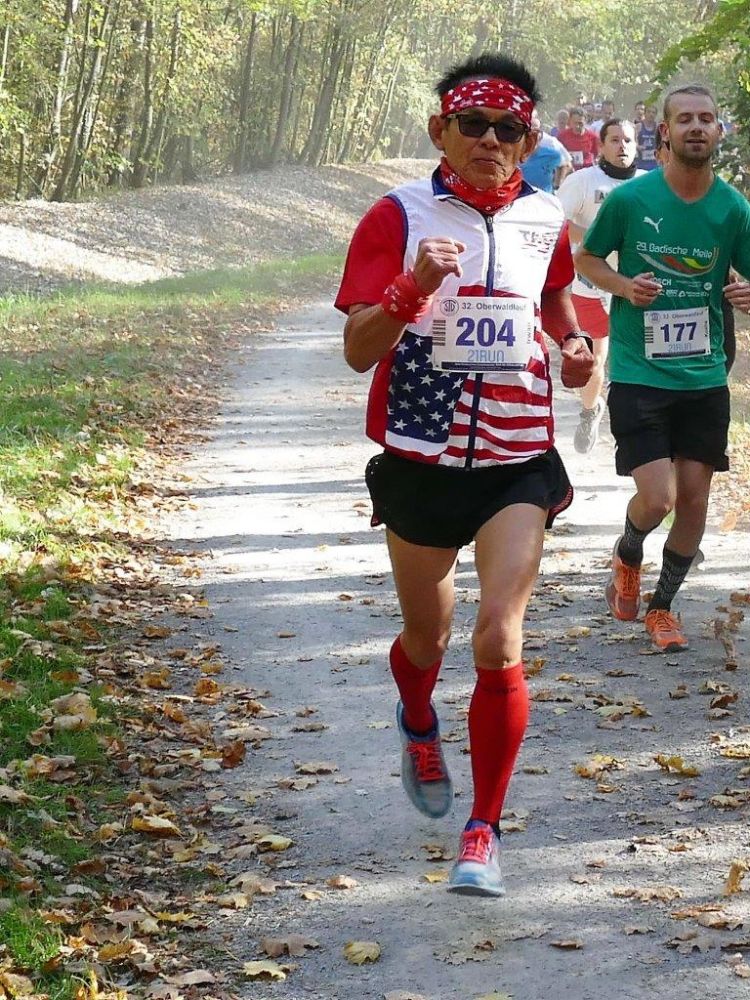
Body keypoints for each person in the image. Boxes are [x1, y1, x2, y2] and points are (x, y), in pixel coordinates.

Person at [336, 52, 593, 897]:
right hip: (422, 453)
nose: (490, 140)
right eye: (473, 124)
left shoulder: (546, 216)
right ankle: (417, 716)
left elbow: (554, 296)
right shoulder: (396, 214)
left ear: (528, 142)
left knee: (498, 637)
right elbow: (358, 349)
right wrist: (413, 285)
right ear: (439, 129)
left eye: (508, 129)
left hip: (517, 457)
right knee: (428, 638)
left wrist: (573, 344)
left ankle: (483, 831)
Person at [575, 84, 750, 652]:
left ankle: (662, 608)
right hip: (639, 372)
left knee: (695, 499)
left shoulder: (733, 208)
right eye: (685, 119)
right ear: (666, 132)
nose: (697, 127)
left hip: (704, 376)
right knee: (658, 499)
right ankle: (628, 553)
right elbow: (587, 258)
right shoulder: (632, 200)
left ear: (719, 131)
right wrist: (625, 286)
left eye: (707, 119)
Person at [558, 118, 644, 453]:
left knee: (637, 358)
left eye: (628, 140)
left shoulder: (649, 184)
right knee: (596, 360)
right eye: (615, 140)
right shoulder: (582, 181)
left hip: (639, 287)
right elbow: (558, 223)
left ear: (637, 146)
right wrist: (599, 240)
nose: (622, 146)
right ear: (602, 145)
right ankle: (590, 410)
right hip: (591, 285)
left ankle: (640, 428)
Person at [520, 110, 572, 192]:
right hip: (520, 195)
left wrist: (557, 184)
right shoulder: (515, 140)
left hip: (543, 194)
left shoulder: (550, 142)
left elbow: (566, 164)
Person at [635, 104, 659, 170]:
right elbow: (631, 143)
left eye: (653, 112)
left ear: (656, 115)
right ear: (644, 113)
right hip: (640, 164)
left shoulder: (658, 127)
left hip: (655, 164)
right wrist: (637, 146)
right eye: (649, 112)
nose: (651, 114)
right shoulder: (638, 126)